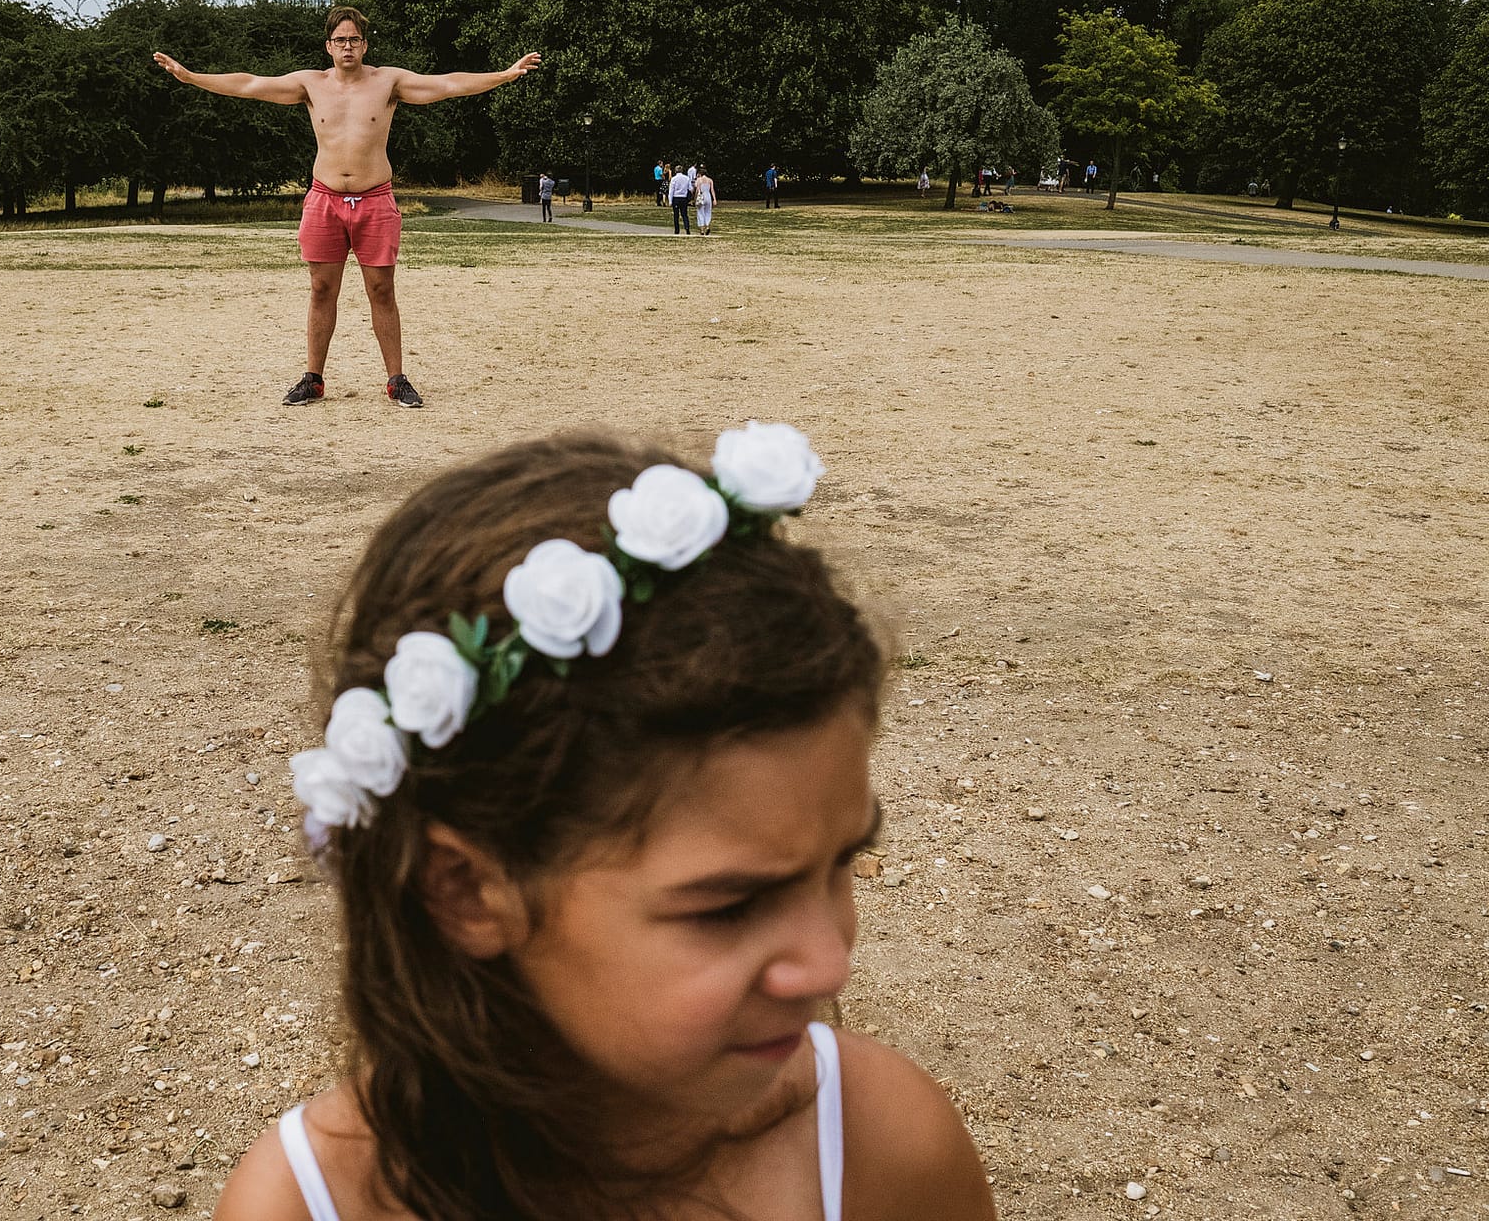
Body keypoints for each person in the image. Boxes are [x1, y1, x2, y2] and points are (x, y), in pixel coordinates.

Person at [217, 427, 998, 1221]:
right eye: (727, 907)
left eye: (843, 862)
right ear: (464, 890)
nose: (830, 963)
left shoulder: (883, 1151)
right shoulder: (306, 1205)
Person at [154, 7, 540, 409]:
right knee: (321, 289)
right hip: (324, 200)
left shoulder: (387, 81)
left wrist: (503, 75)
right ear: (328, 46)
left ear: (364, 45)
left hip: (375, 201)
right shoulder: (310, 84)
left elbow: (445, 84)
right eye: (340, 40)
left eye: (354, 39)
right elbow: (250, 84)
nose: (348, 46)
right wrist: (192, 77)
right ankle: (313, 379)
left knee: (382, 290)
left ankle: (396, 380)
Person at [668, 163, 695, 234]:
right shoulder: (686, 178)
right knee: (684, 214)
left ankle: (677, 230)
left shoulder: (674, 179)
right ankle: (687, 227)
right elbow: (691, 188)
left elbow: (671, 190)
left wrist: (670, 201)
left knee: (676, 215)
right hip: (684, 198)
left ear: (675, 171)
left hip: (676, 198)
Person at [694, 166, 717, 234]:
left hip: (701, 196)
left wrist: (695, 198)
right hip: (708, 196)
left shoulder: (699, 180)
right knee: (708, 212)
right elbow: (712, 190)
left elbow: (697, 190)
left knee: (700, 212)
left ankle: (702, 229)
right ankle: (707, 226)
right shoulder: (710, 180)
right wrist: (714, 199)